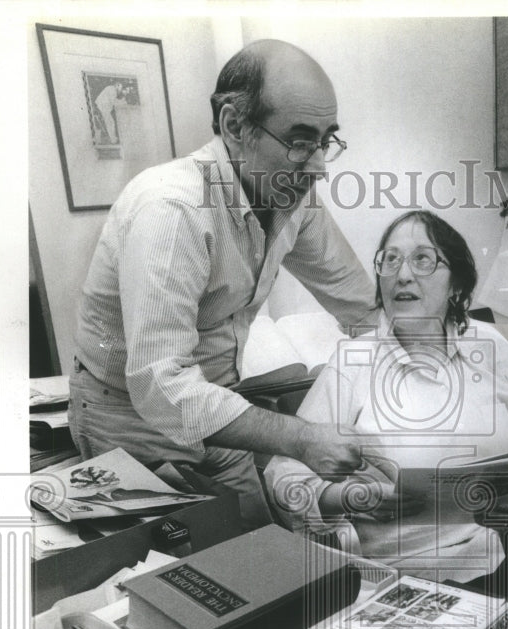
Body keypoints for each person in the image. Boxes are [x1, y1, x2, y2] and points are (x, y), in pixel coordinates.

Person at [69, 40, 378, 523]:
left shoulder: (294, 196)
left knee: (258, 545)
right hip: (131, 415)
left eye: (325, 140)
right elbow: (161, 386)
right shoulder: (172, 209)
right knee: (176, 570)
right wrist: (301, 437)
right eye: (299, 141)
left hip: (221, 407)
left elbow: (362, 307)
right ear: (235, 126)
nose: (318, 166)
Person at [265, 210, 508, 629]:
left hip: (496, 545)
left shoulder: (490, 345)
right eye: (390, 260)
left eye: (423, 260)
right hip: (405, 571)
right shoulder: (353, 362)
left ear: (456, 284)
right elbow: (283, 475)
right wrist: (347, 496)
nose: (403, 275)